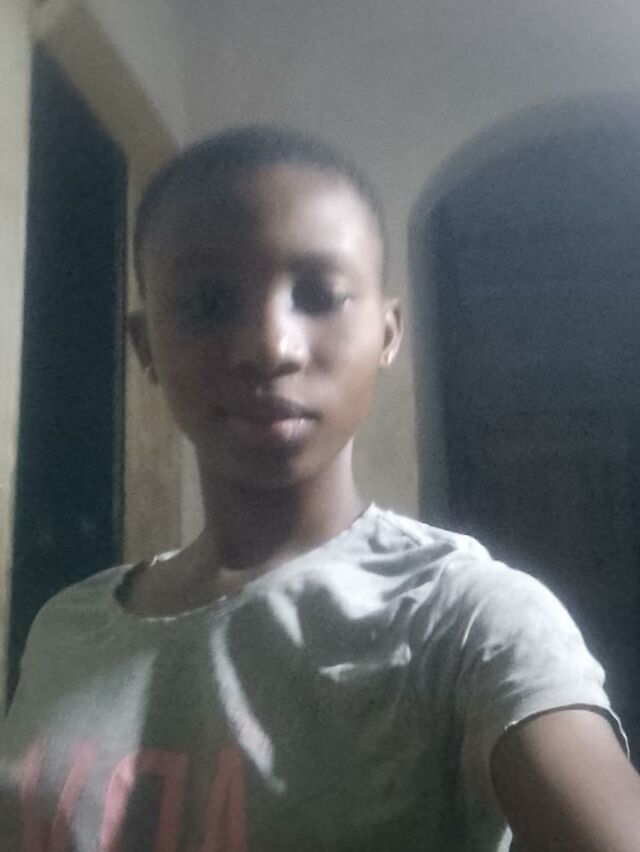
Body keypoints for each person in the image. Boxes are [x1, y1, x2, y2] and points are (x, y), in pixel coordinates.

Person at [1, 125, 639, 852]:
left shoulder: (460, 615)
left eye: (320, 295)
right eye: (208, 304)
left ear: (387, 333)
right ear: (146, 347)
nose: (270, 348)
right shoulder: (66, 628)